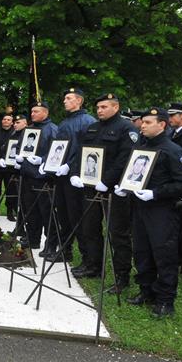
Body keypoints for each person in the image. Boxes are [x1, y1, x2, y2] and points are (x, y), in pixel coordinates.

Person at [117, 107, 182, 318]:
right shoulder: (141, 147)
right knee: (142, 251)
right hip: (140, 208)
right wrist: (125, 185)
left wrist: (156, 193)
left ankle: (165, 301)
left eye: (148, 122)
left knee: (163, 254)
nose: (143, 125)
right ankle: (147, 291)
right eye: (142, 122)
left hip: (162, 210)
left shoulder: (173, 150)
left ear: (162, 124)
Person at [70, 93, 138, 293]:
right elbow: (80, 153)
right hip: (90, 186)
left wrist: (106, 181)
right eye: (98, 107)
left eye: (104, 107)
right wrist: (75, 173)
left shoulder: (127, 129)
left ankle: (121, 277)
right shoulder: (92, 128)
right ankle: (93, 266)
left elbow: (125, 159)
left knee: (117, 234)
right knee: (90, 228)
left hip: (114, 189)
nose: (99, 110)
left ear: (115, 107)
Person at [17, 101, 58, 253]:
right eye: (32, 111)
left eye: (36, 111)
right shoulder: (28, 129)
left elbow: (57, 151)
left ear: (45, 113)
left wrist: (43, 160)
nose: (32, 114)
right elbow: (20, 146)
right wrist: (18, 157)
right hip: (27, 174)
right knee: (29, 209)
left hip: (43, 178)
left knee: (46, 211)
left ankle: (51, 243)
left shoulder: (53, 129)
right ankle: (33, 239)